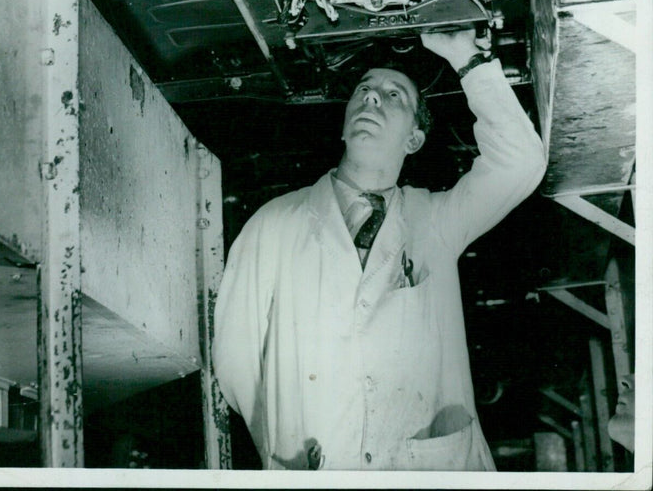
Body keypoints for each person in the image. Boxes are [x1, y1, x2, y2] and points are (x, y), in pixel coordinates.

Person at [212, 27, 547, 471]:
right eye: (363, 91)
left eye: (394, 96)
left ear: (414, 139)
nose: (372, 98)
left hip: (429, 468)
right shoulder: (273, 224)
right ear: (345, 121)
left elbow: (520, 164)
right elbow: (236, 365)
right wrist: (284, 449)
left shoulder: (434, 220)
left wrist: (465, 57)